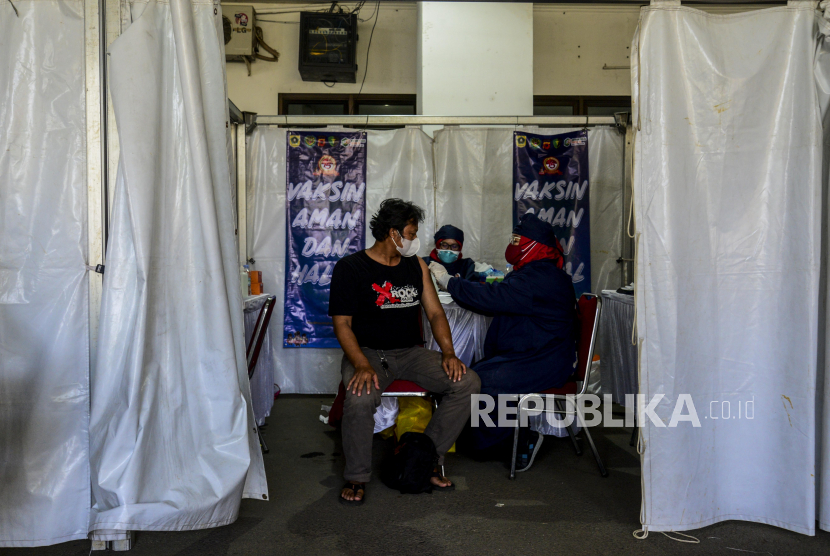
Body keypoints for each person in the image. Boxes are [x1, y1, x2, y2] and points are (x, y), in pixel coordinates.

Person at [328, 198, 481, 505]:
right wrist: (359, 363)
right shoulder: (351, 268)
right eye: (411, 233)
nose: (414, 240)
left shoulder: (415, 265)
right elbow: (343, 324)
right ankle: (357, 476)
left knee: (467, 383)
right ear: (392, 232)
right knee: (359, 398)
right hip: (368, 353)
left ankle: (427, 460)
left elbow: (436, 313)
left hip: (411, 353)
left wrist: (449, 354)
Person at [429, 212, 576, 473]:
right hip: (530, 354)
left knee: (477, 381)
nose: (512, 245)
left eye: (517, 240)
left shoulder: (540, 279)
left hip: (544, 360)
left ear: (534, 245)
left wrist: (449, 281)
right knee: (476, 375)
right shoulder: (533, 273)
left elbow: (494, 298)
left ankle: (520, 440)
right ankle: (498, 437)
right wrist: (459, 288)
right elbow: (494, 301)